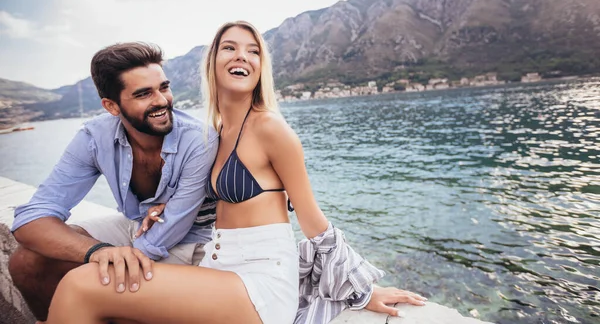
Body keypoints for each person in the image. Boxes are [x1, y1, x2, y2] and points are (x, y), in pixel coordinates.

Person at [45, 21, 426, 324]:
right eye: (229, 47)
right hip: (219, 265)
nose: (241, 55)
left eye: (253, 50)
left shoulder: (270, 128)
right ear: (212, 61)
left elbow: (313, 222)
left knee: (81, 285)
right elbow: (202, 198)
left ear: (261, 67)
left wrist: (359, 290)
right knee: (115, 310)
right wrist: (163, 203)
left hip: (260, 281)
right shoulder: (214, 134)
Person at [9, 42, 219, 322]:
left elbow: (169, 231)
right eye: (144, 94)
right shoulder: (95, 137)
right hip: (137, 226)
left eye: (163, 87)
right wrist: (98, 251)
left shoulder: (198, 139)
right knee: (26, 262)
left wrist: (109, 261)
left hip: (187, 241)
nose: (161, 100)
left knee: (102, 288)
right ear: (111, 106)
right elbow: (30, 219)